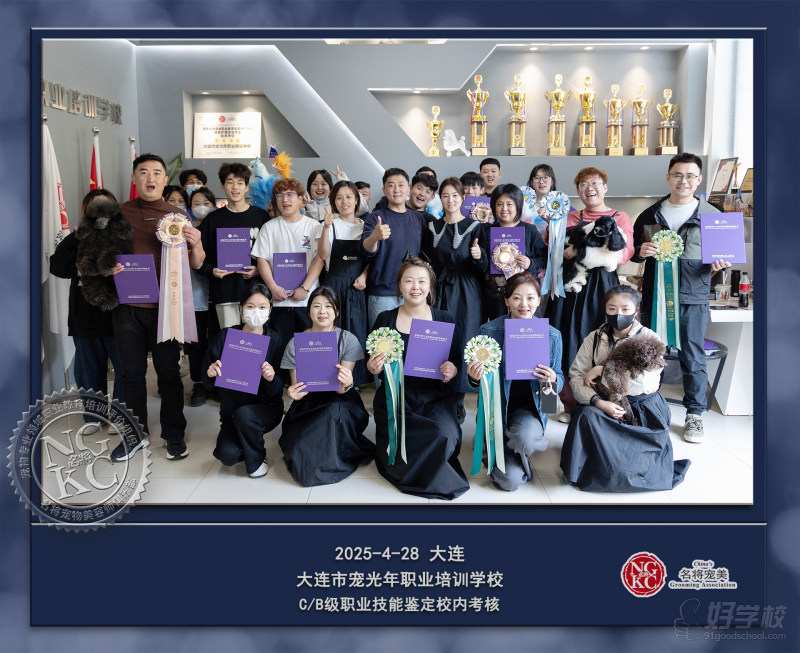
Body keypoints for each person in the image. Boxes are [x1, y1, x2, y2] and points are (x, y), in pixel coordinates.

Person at [110, 153, 205, 462]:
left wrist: (196, 243)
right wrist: (107, 265)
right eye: (143, 172)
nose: (150, 178)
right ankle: (134, 435)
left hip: (167, 307)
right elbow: (101, 254)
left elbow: (197, 263)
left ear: (165, 179)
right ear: (134, 178)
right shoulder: (118, 213)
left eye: (156, 172)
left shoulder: (177, 215)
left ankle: (173, 435)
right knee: (131, 374)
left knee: (168, 372)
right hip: (127, 306)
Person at [632, 152, 730, 444]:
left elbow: (722, 260)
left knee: (693, 357)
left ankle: (694, 414)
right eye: (677, 175)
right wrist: (641, 252)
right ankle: (645, 407)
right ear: (668, 177)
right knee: (650, 355)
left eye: (689, 176)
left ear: (699, 180)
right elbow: (634, 252)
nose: (683, 181)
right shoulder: (650, 215)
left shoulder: (713, 216)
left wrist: (720, 266)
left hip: (693, 298)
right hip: (656, 298)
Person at [560, 285, 691, 491]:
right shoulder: (595, 337)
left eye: (625, 309)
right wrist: (598, 402)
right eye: (612, 309)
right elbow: (577, 375)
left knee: (629, 470)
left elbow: (644, 382)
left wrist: (603, 369)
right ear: (605, 309)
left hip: (641, 408)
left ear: (636, 310)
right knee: (585, 416)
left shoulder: (650, 339)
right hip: (604, 403)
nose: (618, 314)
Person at [366, 257, 469, 500]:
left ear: (430, 286)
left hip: (436, 396)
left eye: (422, 281)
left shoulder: (444, 318)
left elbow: (456, 360)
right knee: (403, 441)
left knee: (444, 434)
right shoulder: (385, 319)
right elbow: (372, 363)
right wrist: (372, 367)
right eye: (409, 281)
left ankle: (431, 471)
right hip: (396, 397)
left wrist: (452, 370)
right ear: (399, 285)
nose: (415, 287)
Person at [544, 167, 635, 420]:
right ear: (577, 190)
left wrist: (579, 251)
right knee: (563, 340)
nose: (589, 188)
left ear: (605, 187)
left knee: (601, 344)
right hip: (570, 287)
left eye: (594, 183)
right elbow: (552, 247)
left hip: (602, 291)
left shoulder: (620, 217)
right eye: (583, 184)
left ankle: (599, 405)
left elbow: (620, 255)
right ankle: (565, 404)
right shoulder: (567, 216)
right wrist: (551, 225)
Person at [469, 272, 563, 491]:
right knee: (508, 482)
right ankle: (499, 445)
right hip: (497, 411)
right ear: (506, 301)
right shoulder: (489, 331)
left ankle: (516, 447)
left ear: (539, 300)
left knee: (526, 439)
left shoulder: (552, 336)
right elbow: (480, 382)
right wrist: (473, 377)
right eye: (517, 298)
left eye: (530, 298)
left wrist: (552, 380)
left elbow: (558, 379)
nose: (524, 304)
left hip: (529, 411)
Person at [279, 287, 374, 486]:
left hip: (340, 399)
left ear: (337, 311)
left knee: (331, 416)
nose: (322, 311)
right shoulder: (296, 343)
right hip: (308, 401)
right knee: (299, 447)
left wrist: (347, 382)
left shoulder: (348, 339)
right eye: (316, 306)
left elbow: (341, 389)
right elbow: (298, 388)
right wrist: (293, 393)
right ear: (308, 312)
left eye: (328, 306)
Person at [49, 189, 124, 430]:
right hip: (84, 316)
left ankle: (120, 417)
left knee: (124, 369)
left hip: (118, 315)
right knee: (89, 371)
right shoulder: (76, 238)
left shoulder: (123, 237)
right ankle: (94, 417)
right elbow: (58, 268)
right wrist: (76, 238)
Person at [422, 177, 486, 419]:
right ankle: (438, 398)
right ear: (440, 198)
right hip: (439, 288)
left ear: (463, 198)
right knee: (438, 339)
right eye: (446, 195)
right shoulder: (432, 226)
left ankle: (458, 400)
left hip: (467, 291)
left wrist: (479, 256)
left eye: (455, 195)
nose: (450, 200)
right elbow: (426, 259)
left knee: (463, 338)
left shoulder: (475, 226)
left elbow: (484, 266)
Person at [203, 284, 283, 478]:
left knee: (246, 416)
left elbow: (280, 387)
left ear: (270, 309)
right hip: (232, 411)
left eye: (262, 307)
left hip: (265, 409)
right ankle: (246, 439)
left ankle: (257, 457)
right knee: (227, 455)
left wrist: (271, 378)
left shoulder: (276, 341)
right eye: (250, 306)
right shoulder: (226, 337)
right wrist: (211, 373)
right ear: (241, 308)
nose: (256, 312)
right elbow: (207, 380)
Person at [252, 177, 324, 350]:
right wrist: (272, 287)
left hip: (307, 301)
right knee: (280, 350)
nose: (285, 199)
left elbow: (319, 259)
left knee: (308, 350)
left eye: (290, 194)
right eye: (280, 195)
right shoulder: (269, 227)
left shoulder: (313, 226)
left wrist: (305, 288)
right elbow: (261, 259)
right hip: (279, 302)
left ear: (300, 198)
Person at [198, 162, 269, 331]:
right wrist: (212, 271)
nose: (235, 187)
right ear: (222, 186)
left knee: (256, 340)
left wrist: (259, 270)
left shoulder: (261, 217)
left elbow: (273, 254)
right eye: (230, 182)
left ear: (246, 187)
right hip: (225, 293)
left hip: (257, 294)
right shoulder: (213, 220)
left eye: (240, 182)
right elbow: (199, 256)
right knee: (230, 341)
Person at [360, 168, 431, 329]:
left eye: (401, 185)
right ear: (384, 190)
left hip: (412, 293)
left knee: (412, 340)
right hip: (382, 294)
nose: (396, 190)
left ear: (409, 188)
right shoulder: (376, 217)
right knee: (382, 341)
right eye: (391, 185)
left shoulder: (418, 219)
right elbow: (366, 250)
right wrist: (375, 237)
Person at [314, 180, 370, 386]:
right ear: (333, 202)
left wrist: (364, 276)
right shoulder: (329, 224)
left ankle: (354, 381)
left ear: (356, 200)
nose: (344, 201)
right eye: (339, 197)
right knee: (331, 331)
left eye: (348, 197)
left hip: (356, 286)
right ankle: (327, 378)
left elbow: (372, 257)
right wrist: (326, 227)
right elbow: (323, 255)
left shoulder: (366, 226)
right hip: (333, 285)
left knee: (356, 331)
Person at [482, 183, 547, 322]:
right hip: (496, 298)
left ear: (518, 205)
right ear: (493, 206)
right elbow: (482, 265)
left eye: (509, 204)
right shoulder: (487, 232)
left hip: (525, 299)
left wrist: (530, 263)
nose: (504, 209)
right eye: (499, 204)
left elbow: (544, 258)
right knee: (498, 331)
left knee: (526, 332)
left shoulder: (529, 230)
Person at [184, 186, 217, 407]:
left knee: (216, 341)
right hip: (193, 296)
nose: (202, 208)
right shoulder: (181, 231)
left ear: (214, 206)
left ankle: (215, 383)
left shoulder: (219, 227)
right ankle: (198, 383)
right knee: (195, 343)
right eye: (196, 204)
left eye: (206, 203)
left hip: (217, 295)